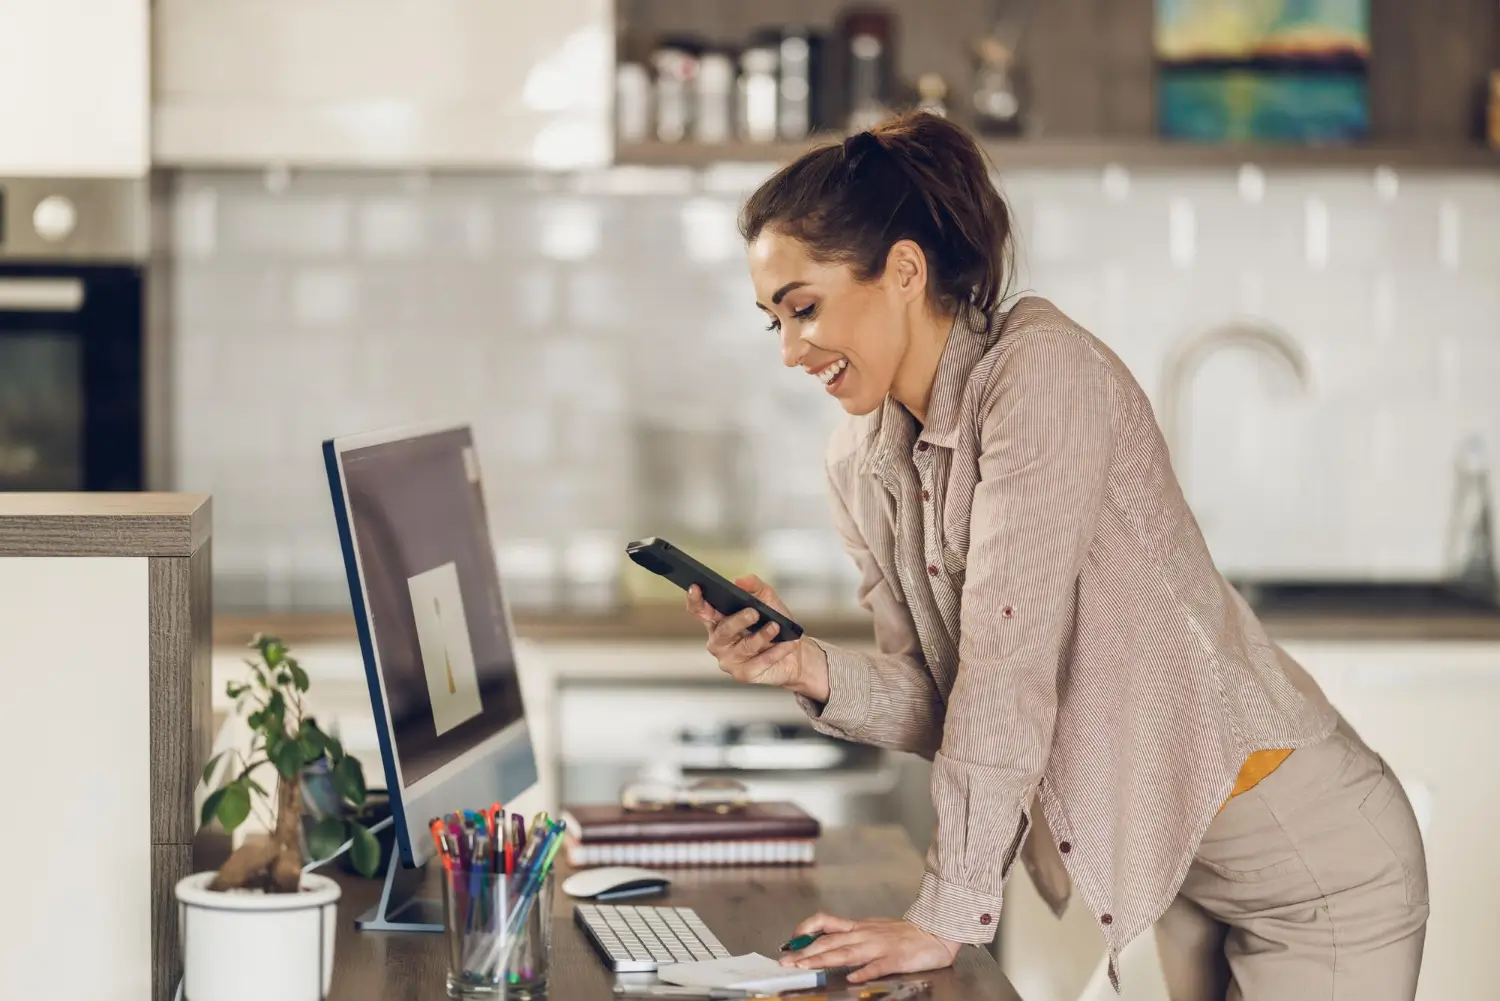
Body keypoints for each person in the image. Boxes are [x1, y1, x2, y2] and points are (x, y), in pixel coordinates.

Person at [682, 111, 1429, 1000]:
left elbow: (1008, 666)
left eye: (804, 307)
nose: (793, 350)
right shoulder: (861, 462)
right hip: (1181, 872)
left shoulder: (1040, 376)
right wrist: (804, 666)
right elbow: (947, 701)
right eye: (775, 322)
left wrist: (945, 912)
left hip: (1314, 874)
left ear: (905, 271)